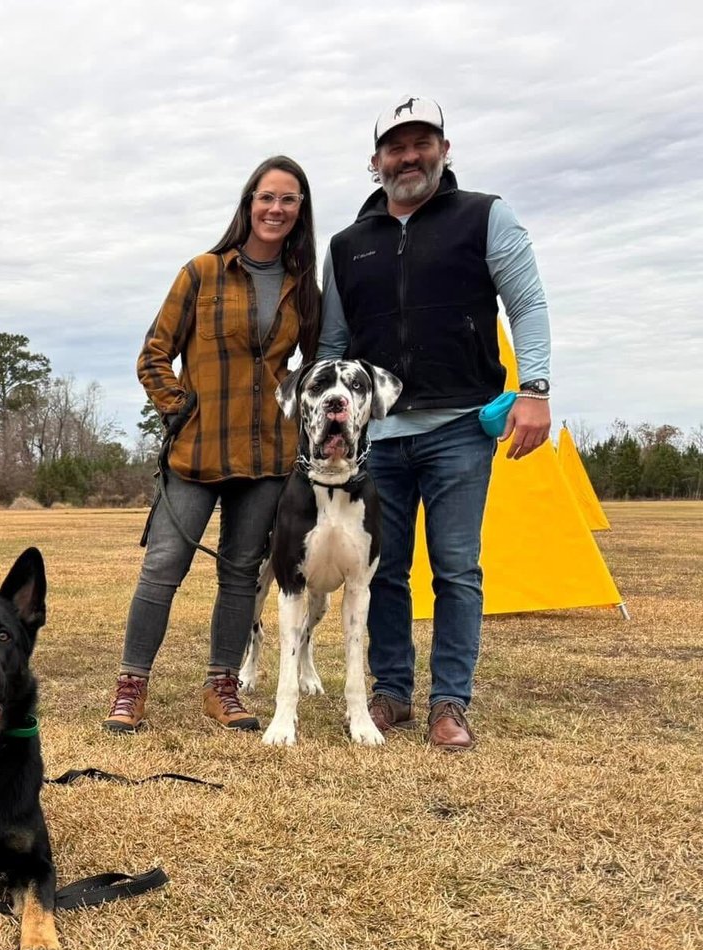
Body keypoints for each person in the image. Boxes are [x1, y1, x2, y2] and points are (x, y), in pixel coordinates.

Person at [319, 97, 551, 752]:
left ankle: (450, 701)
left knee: (456, 568)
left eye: (422, 142)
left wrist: (533, 391)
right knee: (382, 570)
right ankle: (391, 690)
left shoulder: (485, 216)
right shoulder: (346, 246)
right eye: (395, 146)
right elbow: (334, 344)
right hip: (378, 438)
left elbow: (528, 305)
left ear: (445, 150)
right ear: (375, 162)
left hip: (460, 427)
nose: (409, 156)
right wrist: (331, 426)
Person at [105, 156, 322, 734]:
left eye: (289, 200)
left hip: (268, 459)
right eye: (266, 197)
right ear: (249, 203)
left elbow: (319, 366)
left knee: (241, 572)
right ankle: (131, 686)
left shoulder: (306, 289)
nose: (276, 209)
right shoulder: (201, 273)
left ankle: (222, 686)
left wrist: (305, 418)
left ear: (301, 213)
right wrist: (180, 408)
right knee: (163, 567)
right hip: (195, 454)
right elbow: (153, 353)